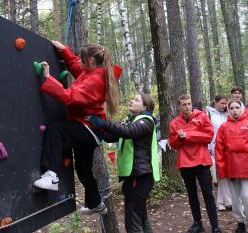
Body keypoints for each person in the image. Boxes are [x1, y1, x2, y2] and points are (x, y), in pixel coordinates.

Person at [32, 40, 121, 215]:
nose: (79, 61)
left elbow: (69, 97)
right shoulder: (91, 73)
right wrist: (64, 50)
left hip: (88, 128)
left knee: (56, 130)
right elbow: (76, 67)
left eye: (83, 59)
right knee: (83, 169)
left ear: (91, 61)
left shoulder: (95, 81)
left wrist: (48, 78)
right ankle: (96, 204)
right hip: (89, 128)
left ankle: (51, 175)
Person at [89, 93, 159, 233]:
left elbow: (127, 132)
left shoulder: (146, 121)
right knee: (141, 218)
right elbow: (111, 137)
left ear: (144, 106)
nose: (131, 101)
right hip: (134, 177)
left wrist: (102, 122)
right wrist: (97, 127)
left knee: (133, 224)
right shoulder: (132, 121)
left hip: (139, 178)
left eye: (136, 99)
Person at [169, 94, 222, 233]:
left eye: (189, 103)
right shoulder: (174, 123)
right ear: (179, 106)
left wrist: (188, 135)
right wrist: (180, 139)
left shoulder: (202, 116)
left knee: (208, 194)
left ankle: (215, 226)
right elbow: (173, 144)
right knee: (192, 195)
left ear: (191, 104)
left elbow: (209, 137)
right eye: (184, 104)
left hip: (202, 161)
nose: (187, 106)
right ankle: (198, 223)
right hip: (185, 163)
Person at [215, 99, 248, 233]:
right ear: (228, 110)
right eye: (232, 108)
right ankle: (240, 222)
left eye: (237, 108)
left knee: (247, 196)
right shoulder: (224, 127)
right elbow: (219, 150)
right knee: (235, 198)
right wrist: (222, 171)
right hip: (231, 167)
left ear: (242, 109)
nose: (234, 110)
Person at [206, 95, 232, 211]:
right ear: (215, 102)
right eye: (221, 103)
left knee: (227, 174)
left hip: (228, 148)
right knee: (219, 176)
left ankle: (224, 201)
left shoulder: (228, 114)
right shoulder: (208, 114)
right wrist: (208, 147)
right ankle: (223, 201)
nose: (224, 105)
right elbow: (207, 131)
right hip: (215, 148)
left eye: (225, 103)